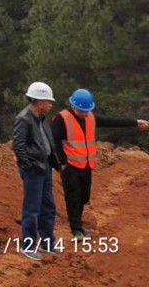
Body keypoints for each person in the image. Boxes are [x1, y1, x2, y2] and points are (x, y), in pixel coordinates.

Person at [51, 88, 149, 239]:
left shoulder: (90, 117)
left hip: (86, 164)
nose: (85, 114)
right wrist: (61, 162)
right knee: (73, 197)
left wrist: (135, 122)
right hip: (70, 166)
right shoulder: (61, 119)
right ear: (73, 106)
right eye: (82, 111)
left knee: (84, 196)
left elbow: (111, 121)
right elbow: (54, 142)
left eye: (87, 111)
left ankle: (79, 225)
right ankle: (76, 229)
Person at [12, 81, 62, 261]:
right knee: (32, 208)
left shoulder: (41, 118)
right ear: (40, 101)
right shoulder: (24, 119)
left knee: (48, 206)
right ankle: (28, 245)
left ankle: (47, 242)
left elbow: (46, 143)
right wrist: (28, 166)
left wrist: (53, 163)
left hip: (44, 167)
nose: (51, 104)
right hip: (34, 169)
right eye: (49, 101)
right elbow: (18, 146)